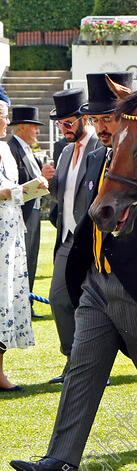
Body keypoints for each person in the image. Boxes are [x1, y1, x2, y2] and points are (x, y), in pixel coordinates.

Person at [10, 72, 137, 471]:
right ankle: (61, 459)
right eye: (97, 117)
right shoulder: (93, 157)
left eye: (109, 116)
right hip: (96, 281)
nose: (104, 125)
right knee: (81, 368)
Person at [42, 89, 100, 383]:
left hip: (94, 240)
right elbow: (60, 195)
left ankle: (91, 367)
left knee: (97, 306)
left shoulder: (102, 148)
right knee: (59, 299)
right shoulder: (63, 151)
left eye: (68, 122)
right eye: (60, 123)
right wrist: (50, 181)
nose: (64, 128)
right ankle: (73, 362)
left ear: (84, 118)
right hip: (67, 239)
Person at [0, 100, 39, 391]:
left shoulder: (5, 150)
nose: (6, 122)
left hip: (11, 230)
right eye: (3, 117)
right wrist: (16, 191)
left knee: (6, 298)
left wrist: (30, 191)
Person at [7, 106, 45, 298]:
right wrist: (41, 182)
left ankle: (27, 303)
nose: (38, 131)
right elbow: (13, 187)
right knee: (21, 261)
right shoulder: (11, 149)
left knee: (31, 260)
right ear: (21, 127)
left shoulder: (28, 150)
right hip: (21, 215)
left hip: (33, 214)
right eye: (34, 126)